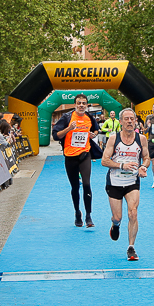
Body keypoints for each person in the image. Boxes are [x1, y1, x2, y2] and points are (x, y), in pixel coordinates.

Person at [101, 108, 151, 261]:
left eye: (132, 119)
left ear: (135, 121)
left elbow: (146, 158)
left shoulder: (141, 139)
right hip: (115, 182)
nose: (129, 121)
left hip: (132, 182)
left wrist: (143, 167)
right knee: (118, 217)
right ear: (121, 122)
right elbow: (104, 161)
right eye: (126, 119)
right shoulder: (113, 138)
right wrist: (122, 166)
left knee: (133, 213)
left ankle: (131, 247)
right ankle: (115, 225)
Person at [52, 94, 99, 228]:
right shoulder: (67, 117)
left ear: (87, 105)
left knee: (86, 184)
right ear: (75, 105)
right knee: (75, 187)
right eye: (79, 103)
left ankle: (88, 216)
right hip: (70, 156)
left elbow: (96, 129)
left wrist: (94, 134)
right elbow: (55, 136)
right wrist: (69, 129)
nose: (81, 105)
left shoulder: (89, 117)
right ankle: (77, 212)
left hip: (85, 154)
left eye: (84, 103)